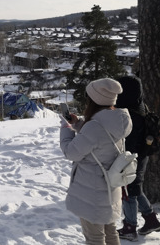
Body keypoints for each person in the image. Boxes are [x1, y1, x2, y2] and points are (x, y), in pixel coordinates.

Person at [60, 78, 133, 245]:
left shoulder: (94, 126)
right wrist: (77, 124)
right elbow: (100, 140)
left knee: (95, 238)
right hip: (110, 189)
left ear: (94, 100)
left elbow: (71, 152)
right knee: (110, 232)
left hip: (91, 192)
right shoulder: (117, 121)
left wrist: (66, 129)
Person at [114, 75, 160, 241]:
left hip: (130, 157)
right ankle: (151, 220)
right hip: (142, 156)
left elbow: (129, 140)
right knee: (135, 188)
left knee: (128, 191)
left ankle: (130, 226)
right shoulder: (140, 106)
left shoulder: (128, 113)